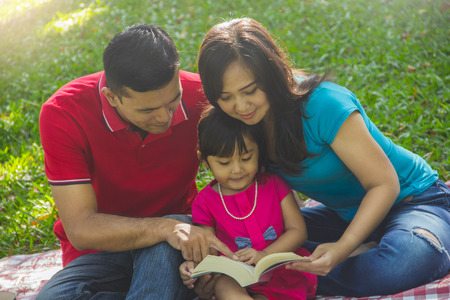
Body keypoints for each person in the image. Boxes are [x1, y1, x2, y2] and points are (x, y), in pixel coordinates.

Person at [196, 18, 450, 297]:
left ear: (272, 74)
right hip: (342, 216)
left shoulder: (323, 103)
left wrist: (342, 249)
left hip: (413, 201)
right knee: (244, 239)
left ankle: (279, 284)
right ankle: (290, 273)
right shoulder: (241, 123)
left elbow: (385, 184)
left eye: (250, 91)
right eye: (226, 96)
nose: (241, 106)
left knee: (408, 260)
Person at [37, 24, 234, 299]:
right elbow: (81, 228)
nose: (165, 118)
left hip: (178, 241)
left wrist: (178, 231)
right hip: (101, 251)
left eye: (173, 101)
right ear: (112, 97)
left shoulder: (202, 94)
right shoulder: (63, 114)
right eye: (148, 110)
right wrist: (163, 229)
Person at [180, 107, 317, 300]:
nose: (237, 169)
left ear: (259, 152)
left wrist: (265, 255)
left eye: (246, 158)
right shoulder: (205, 201)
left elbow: (298, 231)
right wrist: (192, 268)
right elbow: (209, 250)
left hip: (280, 269)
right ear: (205, 161)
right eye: (224, 163)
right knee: (224, 284)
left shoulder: (274, 185)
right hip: (236, 276)